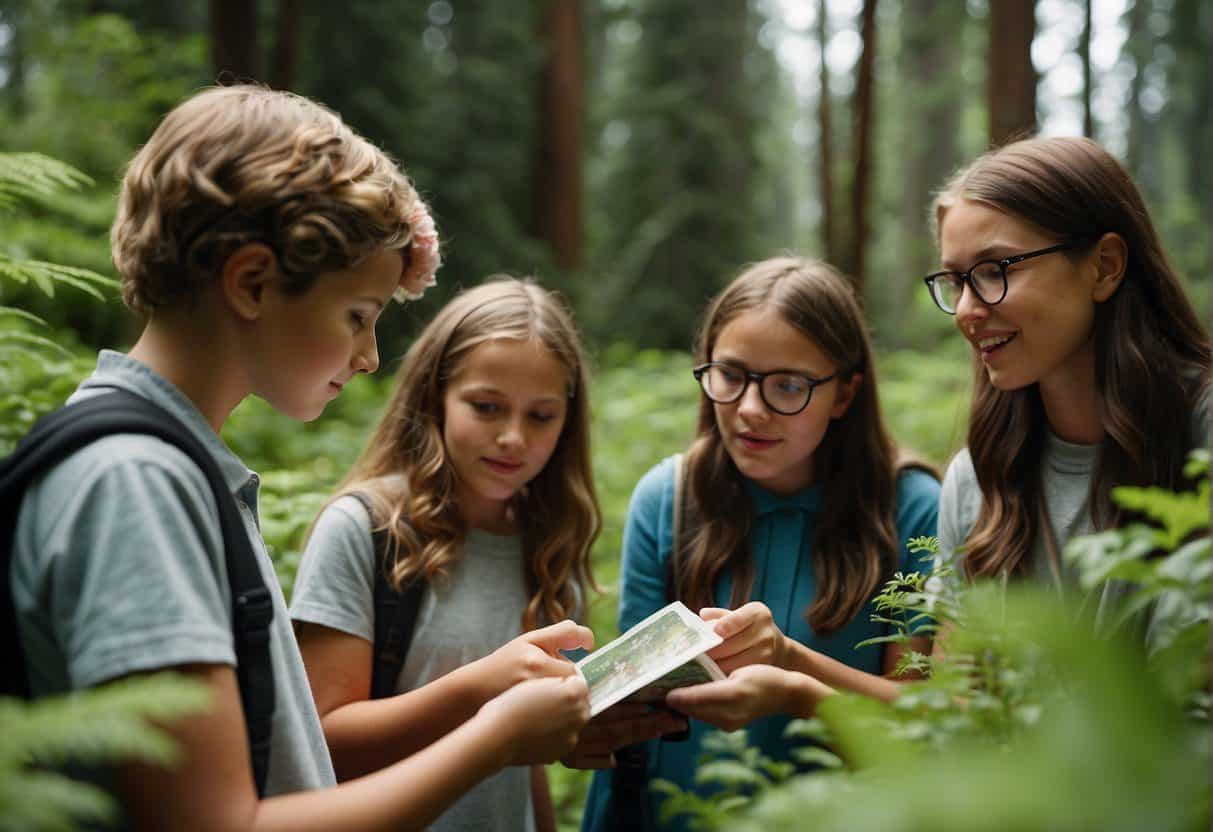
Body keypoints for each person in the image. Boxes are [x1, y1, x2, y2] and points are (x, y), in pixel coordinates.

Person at [8, 84, 590, 831]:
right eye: (358, 315)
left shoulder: (168, 467)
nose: (372, 356)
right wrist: (495, 736)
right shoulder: (136, 484)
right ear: (252, 283)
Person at [290, 277, 680, 832]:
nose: (513, 437)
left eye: (540, 416)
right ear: (436, 397)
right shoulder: (367, 530)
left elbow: (525, 770)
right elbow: (324, 743)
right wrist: (480, 689)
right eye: (487, 406)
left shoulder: (548, 549)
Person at [580, 256, 941, 832]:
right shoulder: (670, 499)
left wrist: (793, 675)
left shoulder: (913, 509)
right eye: (731, 375)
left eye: (788, 386)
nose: (751, 409)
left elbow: (926, 730)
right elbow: (634, 708)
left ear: (844, 394)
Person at [925, 136, 1210, 605]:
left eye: (995, 271)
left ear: (1104, 267)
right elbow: (953, 679)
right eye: (956, 281)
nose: (966, 311)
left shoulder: (1202, 434)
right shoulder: (977, 477)